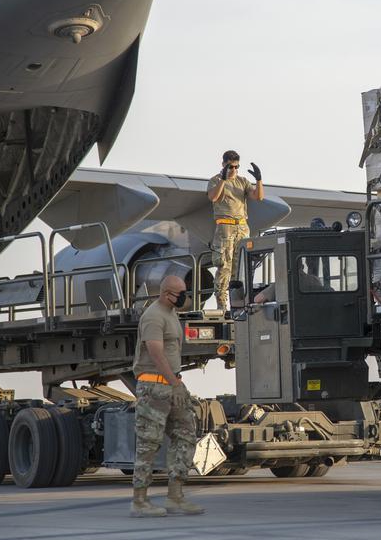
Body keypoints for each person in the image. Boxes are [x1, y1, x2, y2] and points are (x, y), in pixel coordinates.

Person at [130, 275, 204, 518]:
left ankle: (175, 497)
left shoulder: (171, 313)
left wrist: (176, 385)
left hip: (172, 386)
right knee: (148, 444)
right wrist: (174, 383)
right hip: (154, 388)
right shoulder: (153, 317)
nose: (185, 296)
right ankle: (139, 502)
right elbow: (155, 352)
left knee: (186, 435)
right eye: (180, 292)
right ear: (166, 293)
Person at [207, 150, 264, 310]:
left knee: (240, 269)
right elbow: (213, 197)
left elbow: (258, 196)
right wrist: (223, 180)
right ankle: (222, 306)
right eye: (231, 166)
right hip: (225, 228)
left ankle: (238, 305)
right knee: (224, 266)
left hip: (241, 226)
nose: (234, 170)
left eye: (236, 167)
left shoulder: (242, 181)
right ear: (224, 164)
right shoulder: (215, 180)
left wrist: (259, 180)